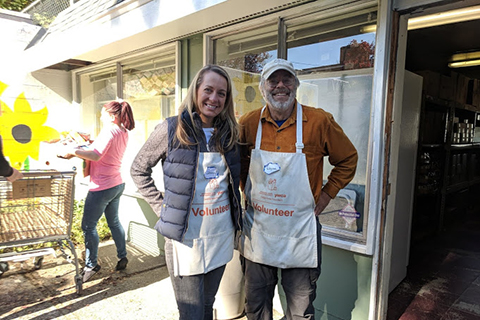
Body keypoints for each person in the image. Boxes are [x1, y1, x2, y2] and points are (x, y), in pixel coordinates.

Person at [238, 58, 358, 320]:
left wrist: (326, 195)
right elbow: (236, 164)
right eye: (273, 80)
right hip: (259, 229)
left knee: (300, 309)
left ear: (296, 85)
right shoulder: (248, 124)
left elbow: (348, 159)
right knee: (256, 304)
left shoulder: (319, 121)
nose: (280, 86)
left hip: (301, 230)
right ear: (262, 87)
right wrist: (246, 191)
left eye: (287, 79)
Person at [130, 64, 242, 320]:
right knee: (191, 313)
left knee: (207, 306)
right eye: (209, 90)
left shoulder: (229, 135)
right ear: (196, 91)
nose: (214, 98)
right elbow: (138, 169)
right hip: (185, 241)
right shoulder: (171, 129)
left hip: (220, 234)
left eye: (221, 93)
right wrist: (163, 209)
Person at [58, 100, 135, 282]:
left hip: (102, 186)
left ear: (111, 116)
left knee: (88, 226)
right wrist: (90, 142)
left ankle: (91, 265)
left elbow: (96, 155)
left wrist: (73, 151)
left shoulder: (109, 130)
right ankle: (122, 256)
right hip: (116, 183)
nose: (100, 116)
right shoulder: (123, 132)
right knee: (114, 221)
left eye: (102, 113)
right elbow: (104, 150)